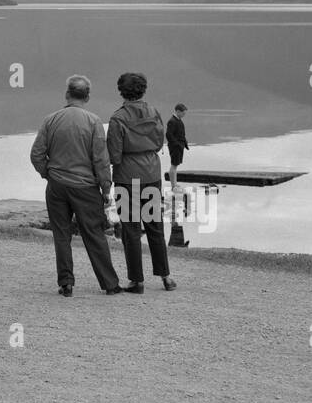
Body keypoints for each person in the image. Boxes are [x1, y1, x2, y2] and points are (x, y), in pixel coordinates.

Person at [30, 75, 122, 297]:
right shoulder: (93, 122)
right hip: (85, 187)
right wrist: (106, 188)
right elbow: (101, 160)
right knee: (94, 234)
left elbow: (36, 154)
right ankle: (110, 284)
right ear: (87, 97)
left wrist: (47, 174)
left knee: (61, 234)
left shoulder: (50, 120)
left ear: (67, 94)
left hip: (57, 186)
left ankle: (66, 283)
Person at [108, 72, 175, 292]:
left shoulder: (118, 118)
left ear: (121, 91)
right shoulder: (154, 112)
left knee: (131, 229)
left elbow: (114, 155)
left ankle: (137, 280)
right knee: (155, 226)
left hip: (127, 177)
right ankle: (165, 276)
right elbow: (158, 144)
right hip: (152, 174)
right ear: (143, 90)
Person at [166, 102, 191, 222]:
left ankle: (175, 183)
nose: (184, 115)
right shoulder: (172, 121)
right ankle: (173, 185)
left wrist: (185, 144)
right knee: (174, 165)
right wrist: (176, 144)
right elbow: (169, 135)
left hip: (180, 146)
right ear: (177, 111)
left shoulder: (179, 120)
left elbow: (182, 133)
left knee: (176, 165)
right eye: (183, 113)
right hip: (175, 147)